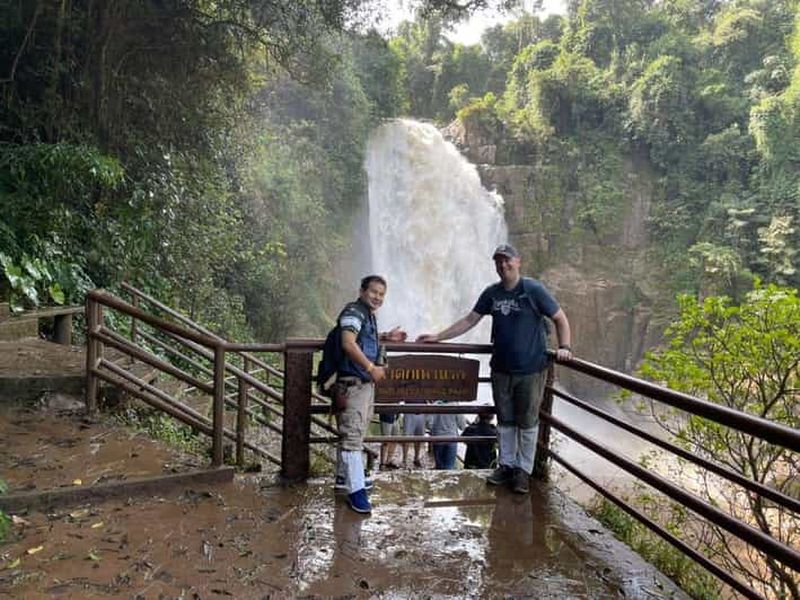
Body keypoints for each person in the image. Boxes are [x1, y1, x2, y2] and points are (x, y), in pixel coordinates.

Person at [416, 243, 573, 494]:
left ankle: (523, 471)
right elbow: (470, 319)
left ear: (517, 261)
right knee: (506, 421)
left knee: (528, 421)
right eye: (498, 261)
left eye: (507, 260)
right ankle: (507, 465)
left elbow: (560, 318)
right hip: (501, 369)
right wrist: (439, 336)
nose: (503, 265)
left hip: (531, 369)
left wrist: (565, 346)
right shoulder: (492, 293)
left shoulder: (532, 289)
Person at [333, 275, 407, 514]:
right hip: (353, 384)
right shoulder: (354, 311)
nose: (377, 297)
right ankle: (356, 493)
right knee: (352, 437)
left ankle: (344, 479)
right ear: (362, 291)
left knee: (354, 433)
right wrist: (371, 368)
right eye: (374, 292)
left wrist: (385, 337)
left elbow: (361, 338)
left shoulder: (366, 315)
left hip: (362, 386)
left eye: (381, 294)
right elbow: (348, 342)